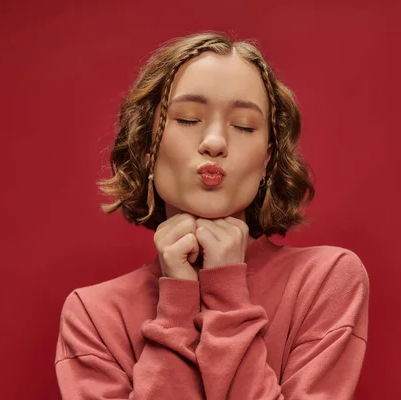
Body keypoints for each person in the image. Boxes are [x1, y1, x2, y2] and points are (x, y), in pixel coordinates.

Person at [55, 32, 369, 399]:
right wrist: (176, 305)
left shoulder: (327, 281)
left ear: (267, 159)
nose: (216, 142)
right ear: (145, 147)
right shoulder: (92, 315)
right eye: (188, 120)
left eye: (244, 126)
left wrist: (228, 295)